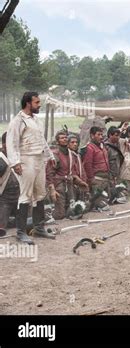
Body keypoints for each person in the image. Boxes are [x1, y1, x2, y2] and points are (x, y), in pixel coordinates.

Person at [6, 92, 56, 244]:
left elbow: (42, 141)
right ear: (28, 103)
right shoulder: (18, 121)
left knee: (40, 194)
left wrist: (50, 156)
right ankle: (21, 232)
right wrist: (15, 163)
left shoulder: (36, 120)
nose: (39, 105)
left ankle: (39, 228)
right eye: (36, 102)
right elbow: (11, 142)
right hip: (26, 161)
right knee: (25, 196)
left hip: (39, 160)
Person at [47, 131, 89, 220]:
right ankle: (47, 215)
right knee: (60, 214)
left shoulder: (71, 154)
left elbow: (72, 172)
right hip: (59, 185)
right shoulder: (55, 155)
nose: (65, 139)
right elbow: (50, 173)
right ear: (57, 141)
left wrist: (80, 182)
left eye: (66, 137)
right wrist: (52, 189)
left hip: (69, 185)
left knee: (72, 210)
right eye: (62, 138)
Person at [82, 126, 110, 211]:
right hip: (97, 179)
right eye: (98, 134)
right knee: (102, 205)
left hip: (105, 178)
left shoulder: (102, 146)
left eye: (101, 134)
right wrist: (91, 179)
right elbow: (87, 164)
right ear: (92, 136)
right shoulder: (90, 148)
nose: (101, 137)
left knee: (107, 201)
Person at [0, 132, 20, 233]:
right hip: (4, 198)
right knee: (2, 226)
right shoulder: (1, 159)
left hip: (19, 196)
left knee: (28, 221)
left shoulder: (18, 156)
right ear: (4, 144)